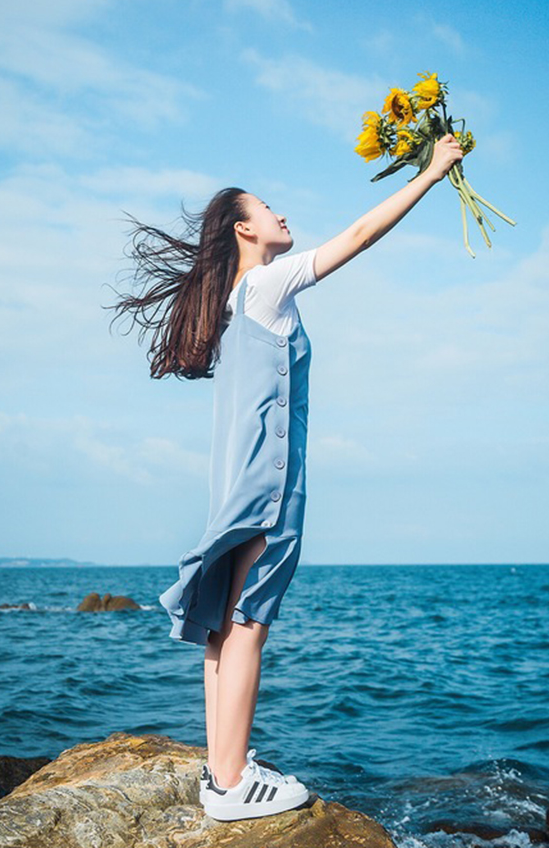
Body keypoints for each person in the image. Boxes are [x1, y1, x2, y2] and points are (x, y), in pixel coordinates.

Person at [107, 134, 463, 821]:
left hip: (233, 483)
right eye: (267, 208)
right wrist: (432, 171)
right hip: (269, 484)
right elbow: (359, 235)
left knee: (221, 627)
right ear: (245, 228)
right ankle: (234, 785)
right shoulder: (266, 283)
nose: (281, 214)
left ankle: (221, 771)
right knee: (247, 625)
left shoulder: (236, 300)